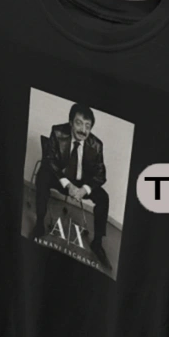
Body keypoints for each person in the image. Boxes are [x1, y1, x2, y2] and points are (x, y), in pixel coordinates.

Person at [33, 103, 111, 269]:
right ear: (70, 122)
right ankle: (39, 224)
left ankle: (97, 243)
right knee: (43, 176)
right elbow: (49, 160)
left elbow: (101, 174)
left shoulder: (97, 145)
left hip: (82, 184)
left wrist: (84, 189)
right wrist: (67, 185)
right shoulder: (57, 132)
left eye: (87, 126)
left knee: (103, 197)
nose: (83, 130)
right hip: (61, 178)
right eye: (79, 123)